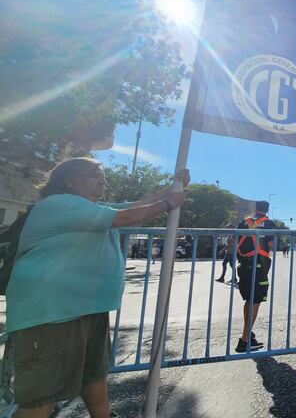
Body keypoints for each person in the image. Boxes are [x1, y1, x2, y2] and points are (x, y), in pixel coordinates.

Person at [7, 157, 188, 418]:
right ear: (67, 180)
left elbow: (134, 206)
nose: (102, 179)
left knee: (94, 377)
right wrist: (168, 203)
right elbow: (129, 215)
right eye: (93, 174)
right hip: (52, 313)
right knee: (40, 398)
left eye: (102, 175)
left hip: (86, 309)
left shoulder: (89, 208)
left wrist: (174, 187)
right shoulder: (58, 204)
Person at [235, 200, 276, 353]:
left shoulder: (244, 222)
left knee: (249, 300)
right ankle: (244, 341)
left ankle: (248, 333)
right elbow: (271, 245)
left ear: (255, 208)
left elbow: (237, 238)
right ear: (267, 210)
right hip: (258, 266)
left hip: (243, 265)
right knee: (256, 300)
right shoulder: (268, 223)